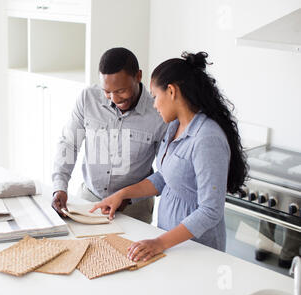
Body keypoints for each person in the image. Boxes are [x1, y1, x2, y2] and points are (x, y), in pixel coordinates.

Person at [90, 51, 248, 261]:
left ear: (171, 91)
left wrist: (159, 242)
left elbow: (211, 210)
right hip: (169, 241)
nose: (154, 105)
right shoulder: (174, 126)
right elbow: (164, 177)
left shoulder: (207, 138)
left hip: (198, 249)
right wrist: (122, 194)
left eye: (155, 97)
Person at [51, 47, 168, 224]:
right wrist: (60, 186)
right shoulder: (87, 98)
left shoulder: (159, 113)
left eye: (121, 91)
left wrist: (127, 198)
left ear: (138, 76)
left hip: (134, 210)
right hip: (89, 201)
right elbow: (69, 143)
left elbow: (166, 171)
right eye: (107, 91)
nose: (114, 98)